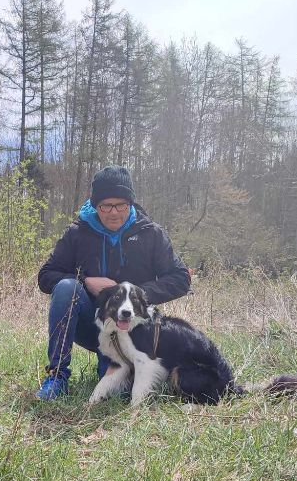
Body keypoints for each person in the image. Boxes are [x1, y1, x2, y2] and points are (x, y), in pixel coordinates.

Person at [35, 165, 191, 400]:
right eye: (105, 205)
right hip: (94, 325)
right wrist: (85, 281)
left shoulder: (151, 233)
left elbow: (181, 278)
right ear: (95, 205)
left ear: (131, 203)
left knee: (116, 394)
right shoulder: (77, 233)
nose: (114, 212)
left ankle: (119, 367)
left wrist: (135, 294)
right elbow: (46, 276)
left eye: (121, 205)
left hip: (134, 330)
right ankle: (57, 376)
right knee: (67, 287)